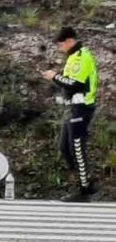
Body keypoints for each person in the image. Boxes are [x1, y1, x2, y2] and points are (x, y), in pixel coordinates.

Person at [42, 27, 100, 202]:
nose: (60, 49)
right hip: (71, 108)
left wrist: (54, 77)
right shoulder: (72, 57)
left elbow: (75, 84)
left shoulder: (82, 57)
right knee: (65, 148)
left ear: (68, 41)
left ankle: (85, 190)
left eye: (60, 45)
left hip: (81, 108)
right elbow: (69, 82)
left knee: (76, 149)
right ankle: (85, 182)